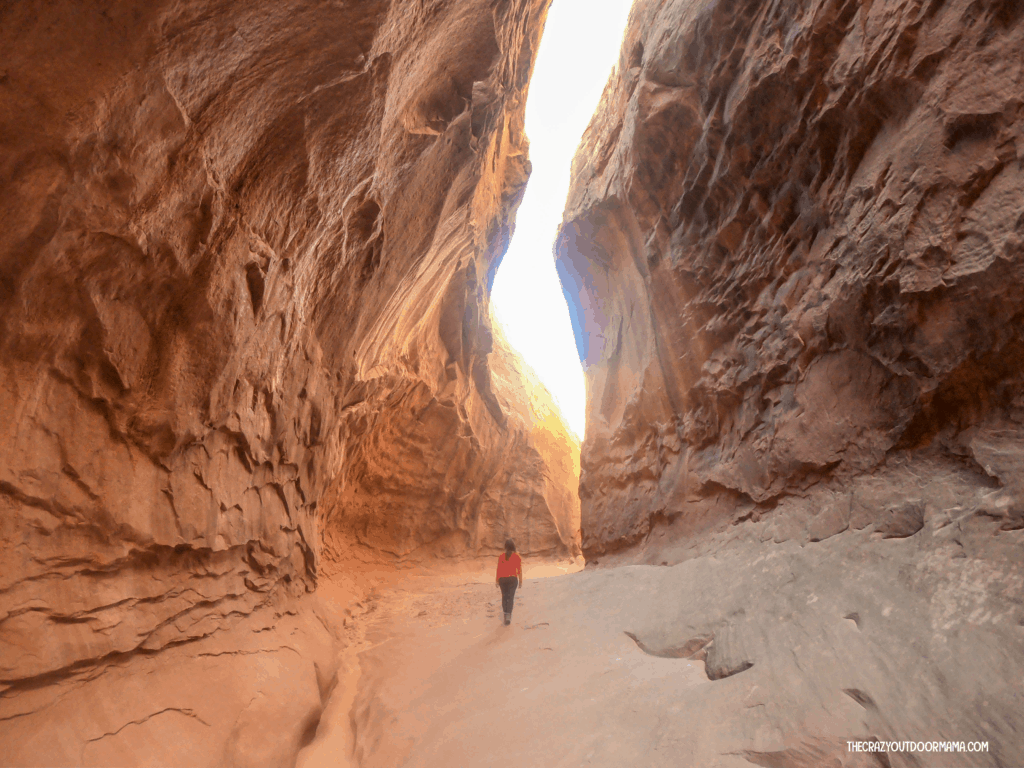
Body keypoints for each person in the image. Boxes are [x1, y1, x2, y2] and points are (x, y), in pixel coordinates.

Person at [495, 538, 522, 625]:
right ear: (513, 546)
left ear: (505, 547)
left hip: (503, 580)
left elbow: (499, 569)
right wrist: (520, 581)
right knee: (510, 597)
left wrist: (497, 580)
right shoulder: (517, 556)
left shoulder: (501, 556)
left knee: (504, 597)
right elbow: (519, 570)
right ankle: (508, 616)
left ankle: (505, 613)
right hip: (512, 579)